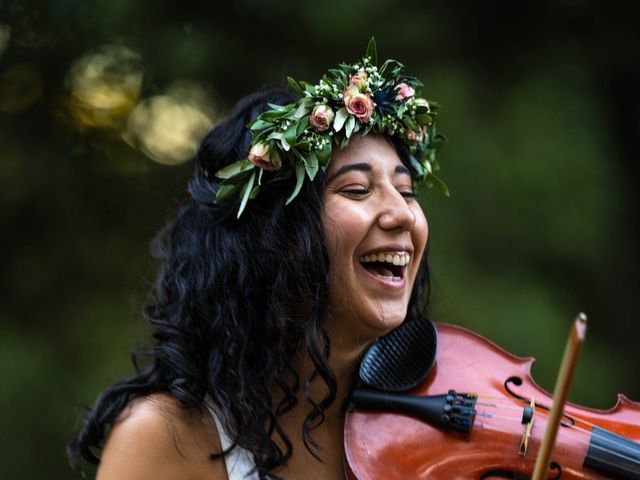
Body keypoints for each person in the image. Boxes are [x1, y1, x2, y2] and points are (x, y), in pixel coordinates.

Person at [68, 39, 445, 480]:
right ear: (277, 237)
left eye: (406, 192)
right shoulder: (164, 438)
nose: (402, 214)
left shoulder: (429, 430)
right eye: (357, 190)